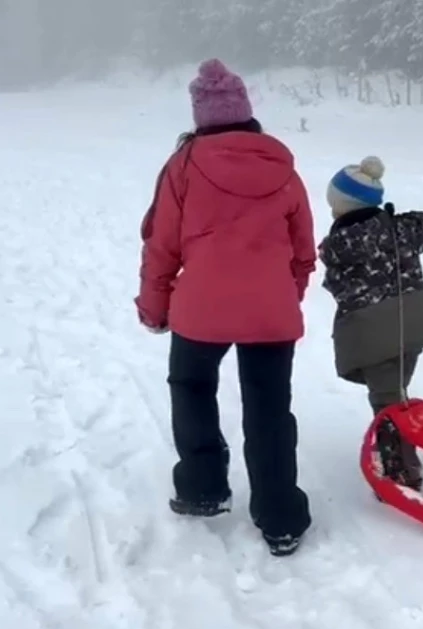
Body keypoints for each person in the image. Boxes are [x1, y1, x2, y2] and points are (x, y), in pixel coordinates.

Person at [136, 58, 315, 557]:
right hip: (271, 314)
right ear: (246, 112)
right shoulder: (281, 166)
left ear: (200, 117)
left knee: (192, 388)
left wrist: (154, 307)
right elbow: (304, 249)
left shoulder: (184, 166)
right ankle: (281, 519)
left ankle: (202, 488)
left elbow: (161, 246)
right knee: (270, 410)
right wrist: (283, 294)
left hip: (201, 311)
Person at [318, 156, 423, 490]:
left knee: (387, 400)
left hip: (372, 333)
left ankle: (401, 471)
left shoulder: (336, 245)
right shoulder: (402, 229)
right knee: (396, 390)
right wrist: (399, 221)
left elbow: (334, 282)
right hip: (413, 324)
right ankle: (401, 456)